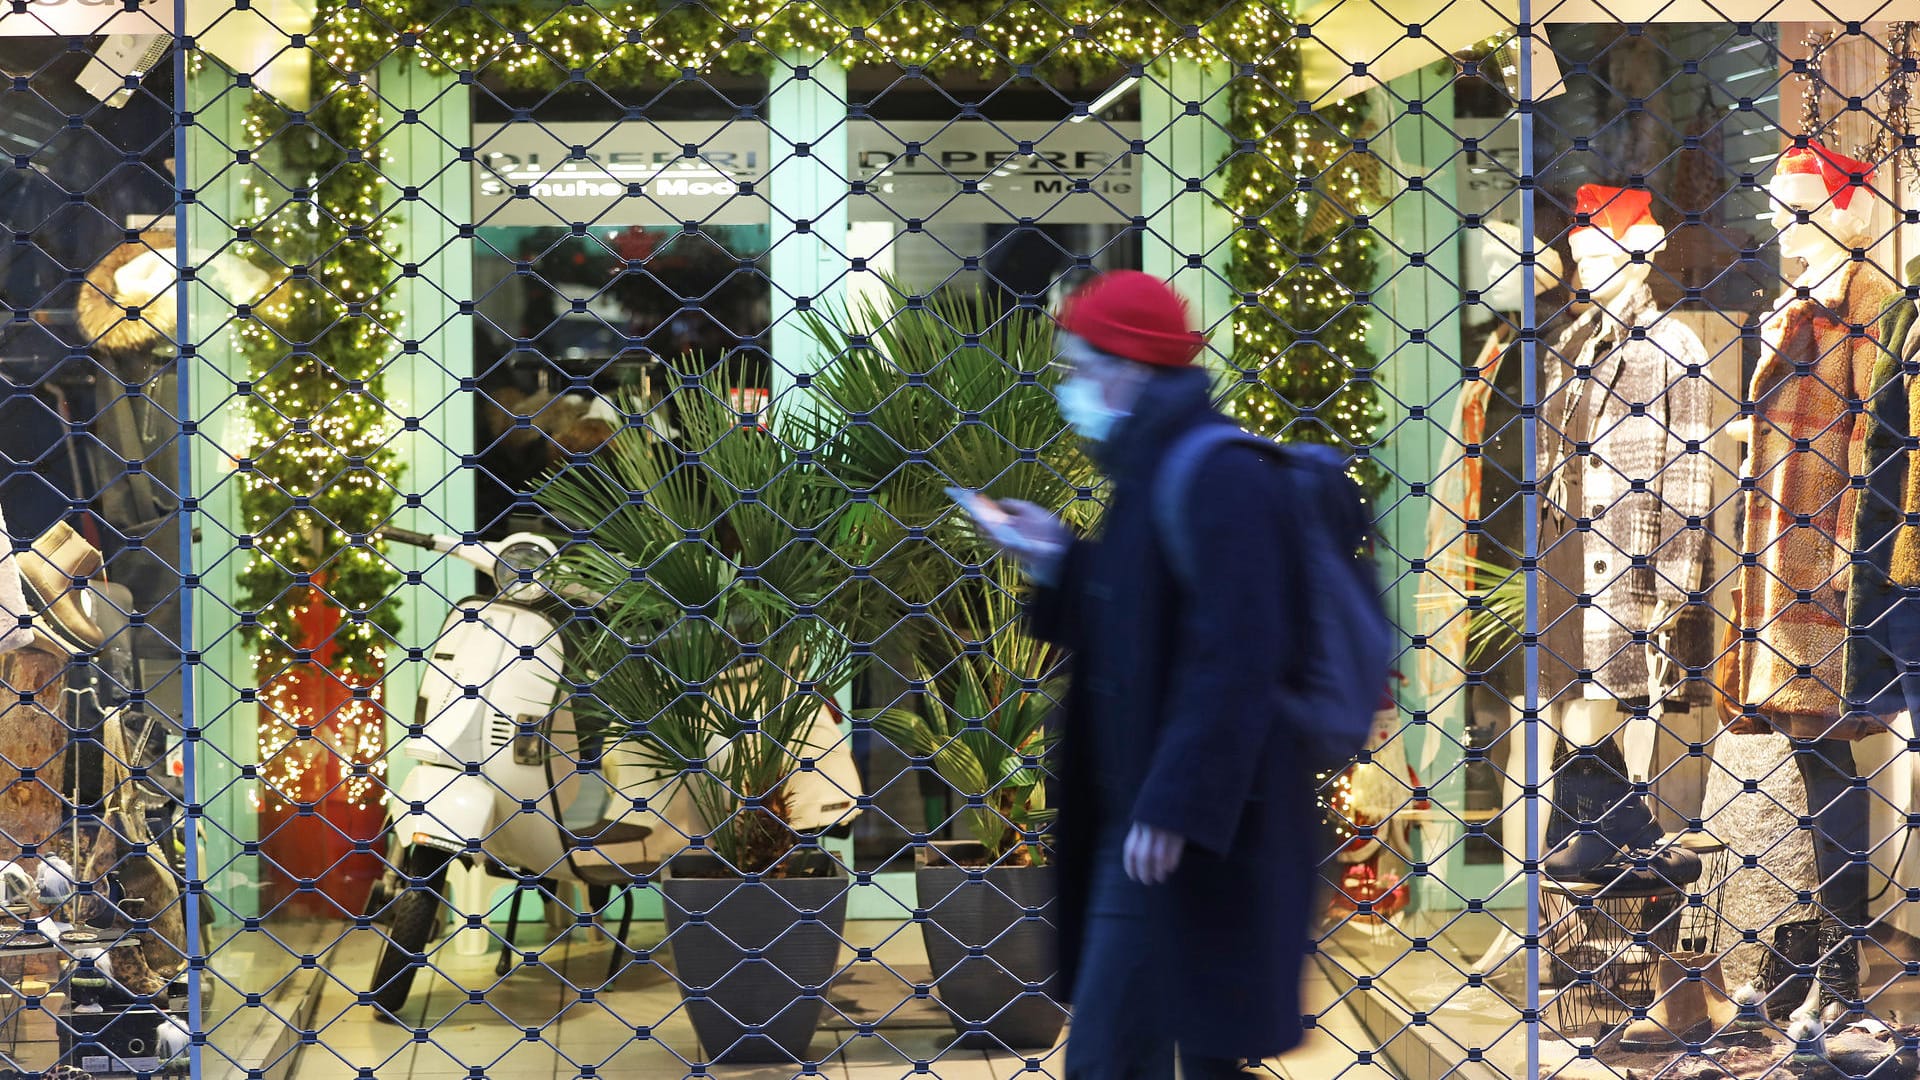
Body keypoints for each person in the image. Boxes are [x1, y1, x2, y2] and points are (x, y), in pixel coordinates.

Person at [980, 271, 1325, 1078]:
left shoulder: (1217, 472)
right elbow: (1148, 619)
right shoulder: (1154, 471)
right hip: (1148, 822)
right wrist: (1060, 559)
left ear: (1127, 369)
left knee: (1113, 1056)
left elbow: (1239, 649)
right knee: (1171, 1053)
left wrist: (1175, 805)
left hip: (1181, 832)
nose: (1070, 389)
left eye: (1077, 368)